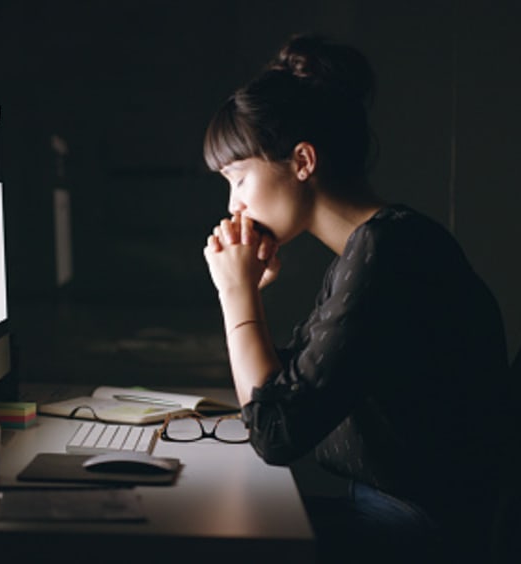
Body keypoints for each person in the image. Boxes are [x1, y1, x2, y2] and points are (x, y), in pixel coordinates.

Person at [201, 33, 512, 563]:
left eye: (239, 179)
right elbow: (283, 396)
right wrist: (245, 291)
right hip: (390, 513)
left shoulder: (385, 252)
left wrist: (238, 297)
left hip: (418, 533)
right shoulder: (369, 249)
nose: (234, 207)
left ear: (302, 161)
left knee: (206, 537)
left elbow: (274, 433)